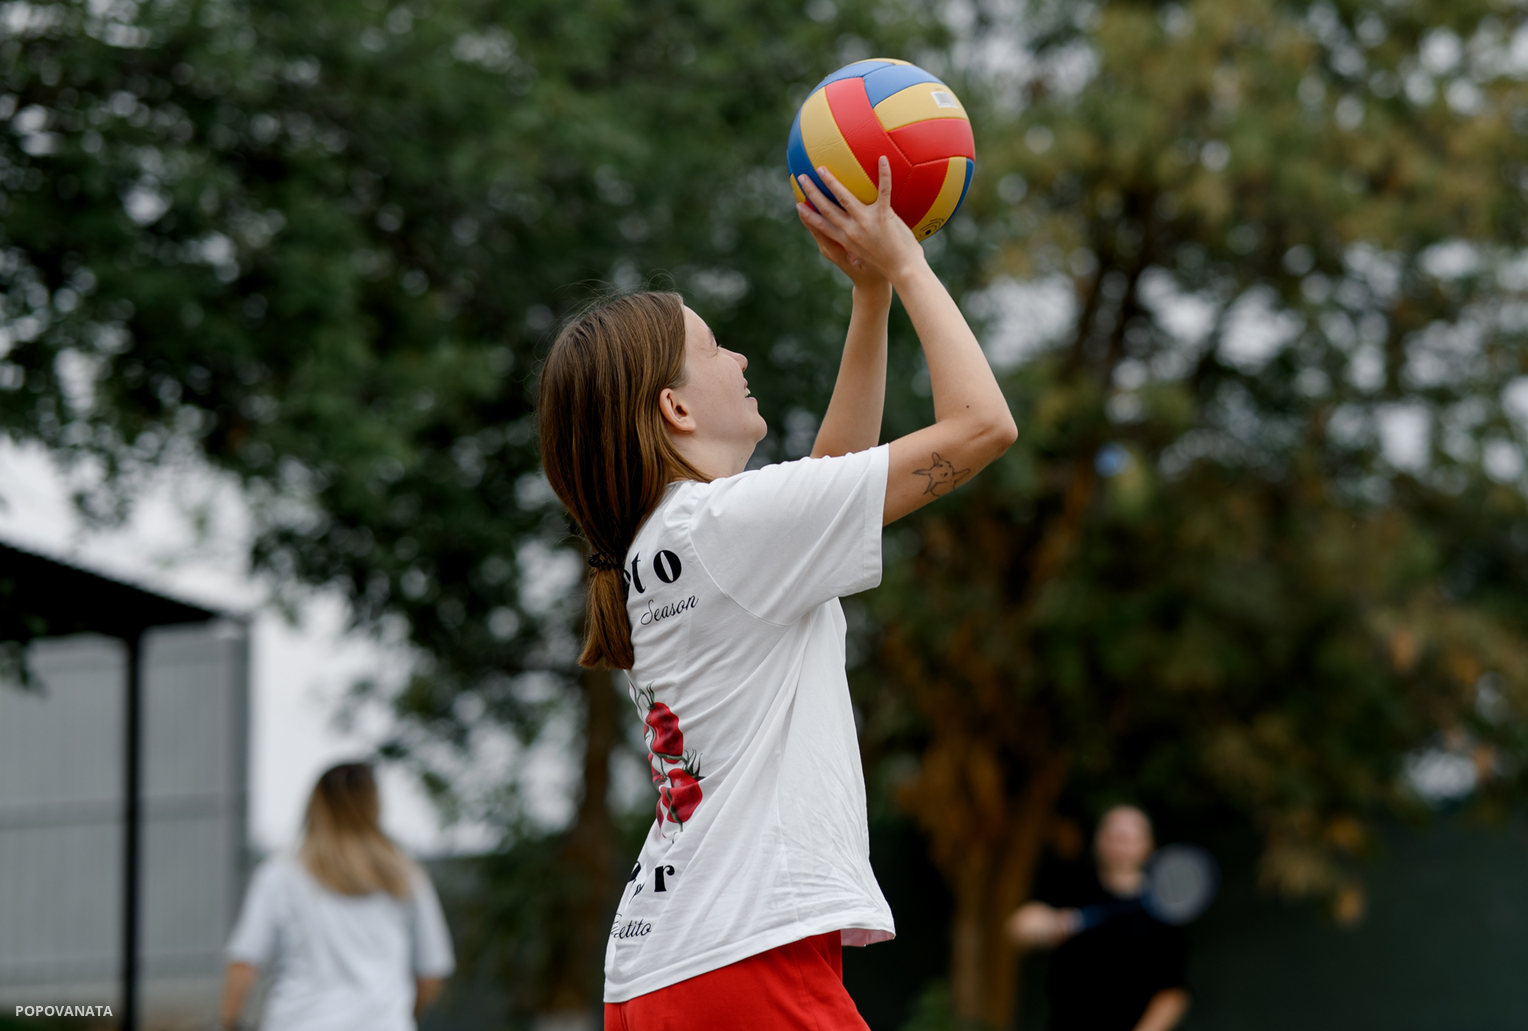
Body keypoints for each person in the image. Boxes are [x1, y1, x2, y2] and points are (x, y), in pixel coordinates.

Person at [536, 156, 1017, 1029]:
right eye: (715, 348)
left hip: (666, 967)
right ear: (677, 409)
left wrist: (869, 297)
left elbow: (830, 481)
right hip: (742, 956)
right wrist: (909, 264)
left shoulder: (678, 537)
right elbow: (983, 427)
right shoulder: (720, 528)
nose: (740, 356)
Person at [219, 761, 455, 1031]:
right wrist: (397, 1016)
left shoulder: (280, 876)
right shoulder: (405, 876)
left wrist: (229, 1022)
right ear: (374, 805)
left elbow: (245, 962)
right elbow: (429, 976)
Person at [1007, 806, 1191, 1031]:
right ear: (1098, 840)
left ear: (1147, 845)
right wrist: (1045, 925)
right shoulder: (1072, 885)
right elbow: (1019, 926)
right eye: (1112, 835)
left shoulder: (1164, 911)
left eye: (1127, 837)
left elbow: (1172, 993)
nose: (1118, 843)